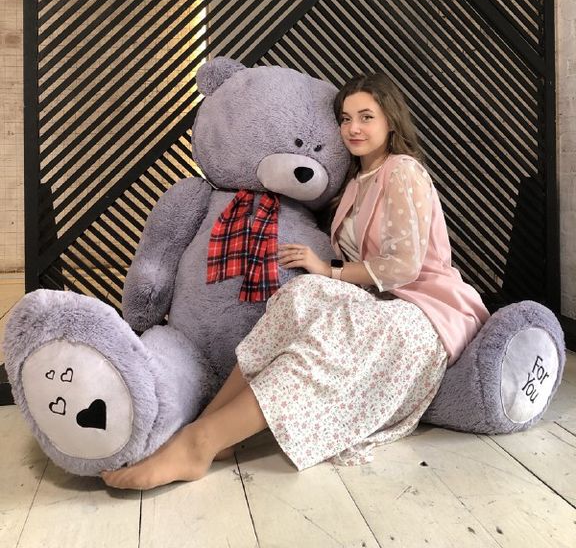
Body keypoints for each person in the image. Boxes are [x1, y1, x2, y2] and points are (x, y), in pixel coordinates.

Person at [102, 72, 490, 490]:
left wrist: (328, 270)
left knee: (332, 335)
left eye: (366, 117)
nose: (353, 128)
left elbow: (403, 266)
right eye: (345, 119)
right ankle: (212, 423)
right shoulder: (353, 185)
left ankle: (201, 443)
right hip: (379, 301)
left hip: (426, 311)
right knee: (300, 295)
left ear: (390, 121)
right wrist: (320, 273)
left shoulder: (402, 171)